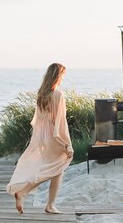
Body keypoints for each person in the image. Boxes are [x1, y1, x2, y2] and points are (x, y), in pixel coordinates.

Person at [6, 63, 74, 214]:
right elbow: (60, 123)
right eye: (63, 74)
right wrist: (67, 144)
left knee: (55, 170)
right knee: (56, 168)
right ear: (58, 75)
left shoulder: (41, 94)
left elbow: (38, 119)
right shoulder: (58, 95)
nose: (63, 77)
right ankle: (26, 193)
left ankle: (49, 204)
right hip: (52, 136)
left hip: (42, 136)